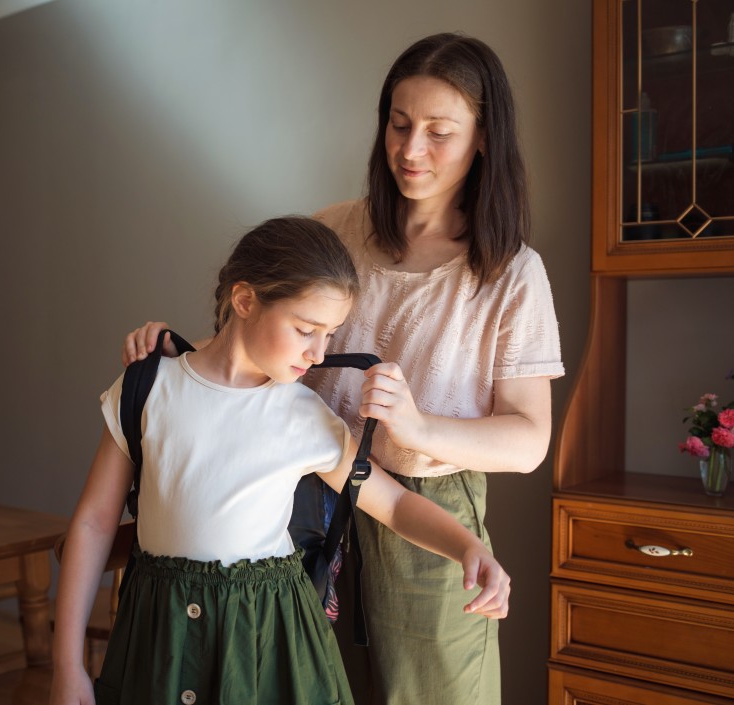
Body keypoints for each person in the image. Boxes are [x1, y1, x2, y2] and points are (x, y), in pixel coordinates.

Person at [120, 33, 564, 705]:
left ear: (482, 139)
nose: (410, 150)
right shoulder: (336, 229)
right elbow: (251, 331)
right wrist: (176, 348)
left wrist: (418, 426)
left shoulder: (511, 272)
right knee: (313, 684)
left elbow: (530, 438)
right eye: (399, 124)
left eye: (438, 132)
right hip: (304, 494)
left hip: (424, 514)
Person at [53, 216, 511, 705]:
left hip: (267, 644)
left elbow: (395, 504)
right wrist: (66, 666)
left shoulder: (302, 416)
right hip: (157, 638)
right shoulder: (145, 389)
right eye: (305, 329)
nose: (317, 353)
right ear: (245, 300)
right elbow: (94, 523)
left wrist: (468, 547)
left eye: (330, 335)